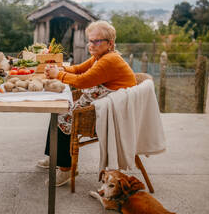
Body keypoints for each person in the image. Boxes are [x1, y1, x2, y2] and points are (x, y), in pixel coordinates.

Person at [37, 20, 137, 187]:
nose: (91, 45)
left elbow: (82, 81)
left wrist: (57, 75)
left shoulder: (109, 60)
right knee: (58, 107)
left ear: (110, 43)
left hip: (108, 113)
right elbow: (77, 70)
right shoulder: (100, 57)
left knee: (61, 114)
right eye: (90, 40)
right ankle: (55, 157)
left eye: (96, 41)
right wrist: (59, 69)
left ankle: (66, 168)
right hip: (100, 103)